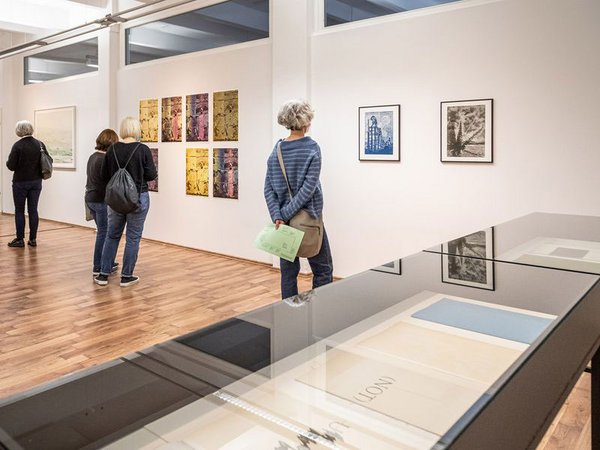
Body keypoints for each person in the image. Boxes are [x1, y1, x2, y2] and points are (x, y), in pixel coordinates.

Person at [264, 99, 333, 299]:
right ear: (306, 122)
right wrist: (285, 214)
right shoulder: (312, 148)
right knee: (323, 269)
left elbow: (267, 187)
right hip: (308, 218)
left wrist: (278, 215)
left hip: (282, 223)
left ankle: (289, 313)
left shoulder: (277, 150)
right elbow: (308, 189)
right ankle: (320, 310)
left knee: (288, 272)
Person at [94, 117, 157, 287]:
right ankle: (126, 276)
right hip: (138, 198)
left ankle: (103, 274)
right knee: (133, 238)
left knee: (112, 235)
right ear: (137, 130)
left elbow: (103, 175)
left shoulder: (112, 149)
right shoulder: (142, 149)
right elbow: (151, 175)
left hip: (115, 199)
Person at [5, 120, 49, 248]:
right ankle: (33, 239)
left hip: (20, 182)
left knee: (19, 210)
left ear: (19, 131)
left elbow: (11, 166)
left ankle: (19, 239)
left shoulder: (17, 146)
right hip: (36, 182)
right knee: (33, 210)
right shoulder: (40, 144)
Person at [85, 129, 119, 276]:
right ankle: (98, 266)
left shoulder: (93, 156)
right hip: (101, 201)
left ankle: (107, 262)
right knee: (104, 233)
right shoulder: (105, 159)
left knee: (103, 232)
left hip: (90, 198)